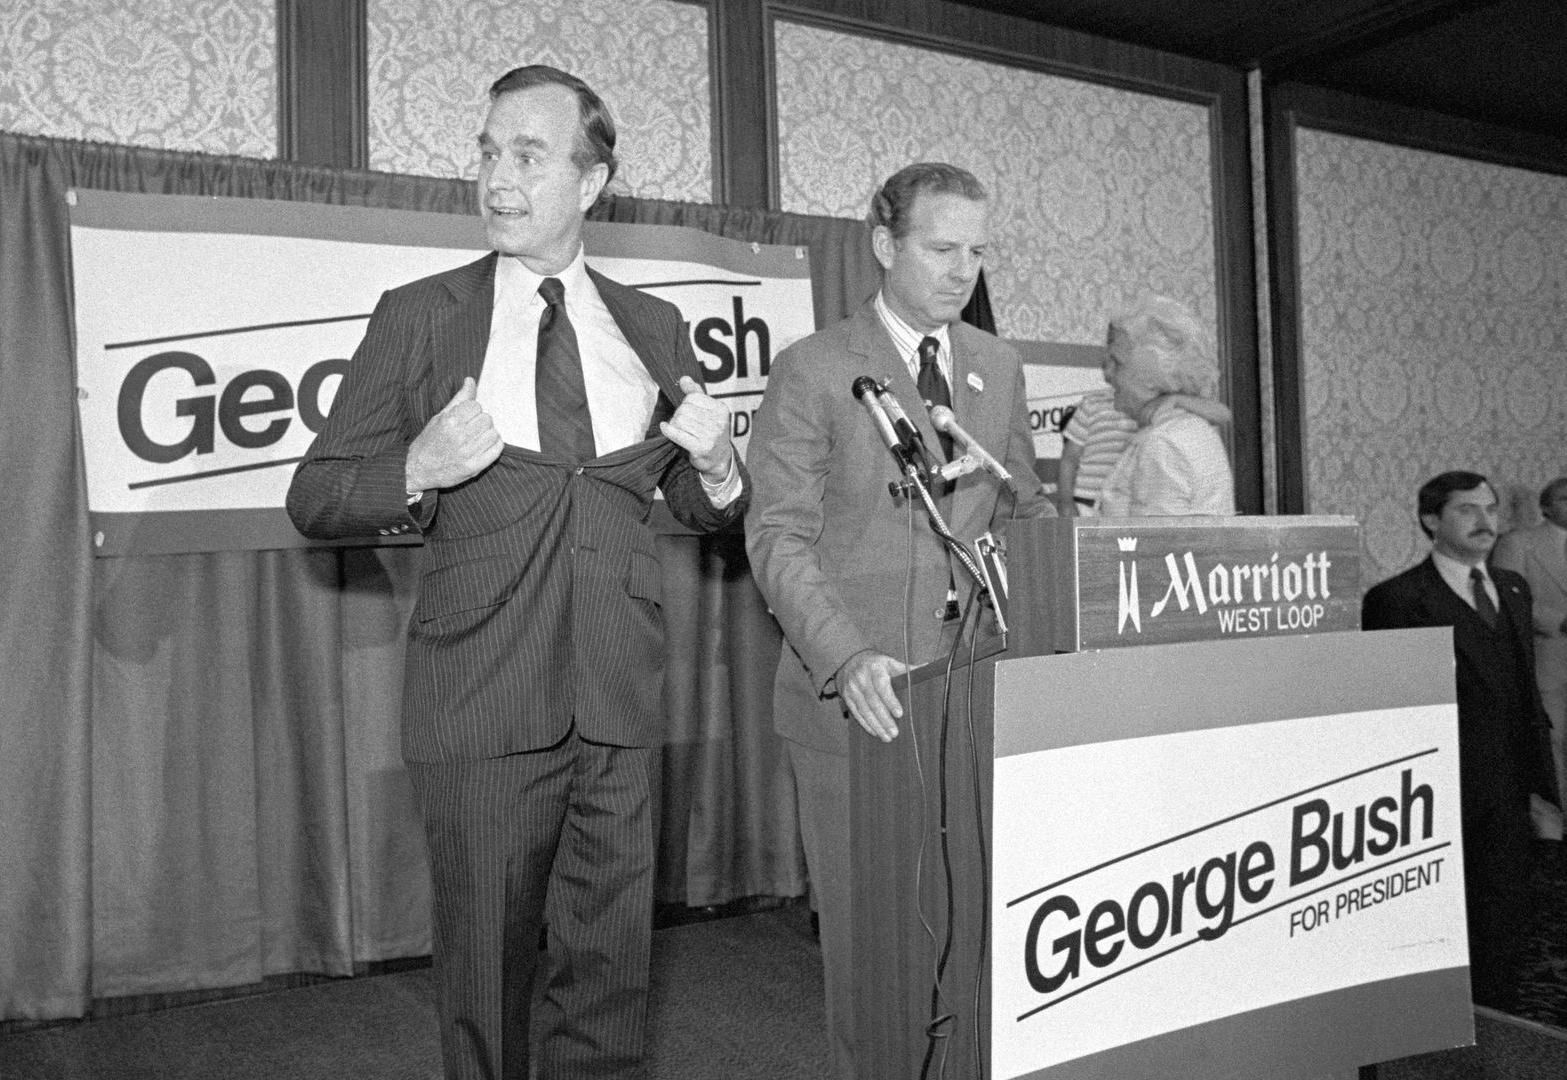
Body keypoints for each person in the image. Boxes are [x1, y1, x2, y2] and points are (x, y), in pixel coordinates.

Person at [286, 65, 748, 1080]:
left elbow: (700, 508)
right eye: (489, 151)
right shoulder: (419, 316)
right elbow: (314, 495)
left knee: (611, 978)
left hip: (619, 701)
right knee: (486, 990)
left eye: (528, 155)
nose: (497, 176)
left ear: (591, 182)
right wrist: (414, 467)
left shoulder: (653, 329)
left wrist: (720, 466)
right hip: (481, 704)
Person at [745, 162, 1052, 1080]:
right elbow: (777, 537)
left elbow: (1024, 512)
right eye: (942, 247)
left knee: (975, 950)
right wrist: (848, 656)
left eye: (978, 251)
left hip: (976, 701)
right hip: (862, 708)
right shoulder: (815, 368)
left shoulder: (996, 367)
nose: (964, 270)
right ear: (885, 246)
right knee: (877, 967)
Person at [1361, 471, 1560, 1010]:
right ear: (1431, 520)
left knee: (1512, 921)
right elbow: (1393, 714)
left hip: (1517, 791)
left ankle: (1503, 1021)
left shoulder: (1513, 589)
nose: (1485, 522)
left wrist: (1545, 791)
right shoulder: (1397, 600)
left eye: (1491, 510)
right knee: (1460, 925)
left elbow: (1525, 695)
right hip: (1449, 793)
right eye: (1467, 510)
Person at [1096, 295, 1235, 516]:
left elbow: (1156, 545)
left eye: (1117, 362)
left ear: (1154, 372)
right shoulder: (1186, 429)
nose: (1107, 374)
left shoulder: (1164, 443)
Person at [1493, 476, 1567, 824]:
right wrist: (1559, 621)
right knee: (1554, 741)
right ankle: (1559, 822)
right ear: (1546, 507)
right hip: (1549, 656)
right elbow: (1508, 598)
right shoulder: (1519, 543)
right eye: (1565, 498)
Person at [1055, 380, 1135, 517]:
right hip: (1085, 506)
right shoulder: (1093, 403)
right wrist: (1065, 504)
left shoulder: (1152, 410)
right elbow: (1069, 460)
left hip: (1126, 510)